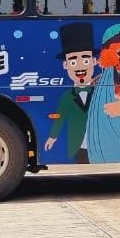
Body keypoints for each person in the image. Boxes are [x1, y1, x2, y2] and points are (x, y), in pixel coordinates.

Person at [45, 23, 96, 162]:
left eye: (85, 60)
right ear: (65, 65)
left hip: (100, 144)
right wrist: (52, 137)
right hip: (78, 145)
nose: (80, 66)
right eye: (73, 62)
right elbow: (59, 118)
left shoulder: (101, 92)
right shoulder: (67, 96)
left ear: (94, 61)